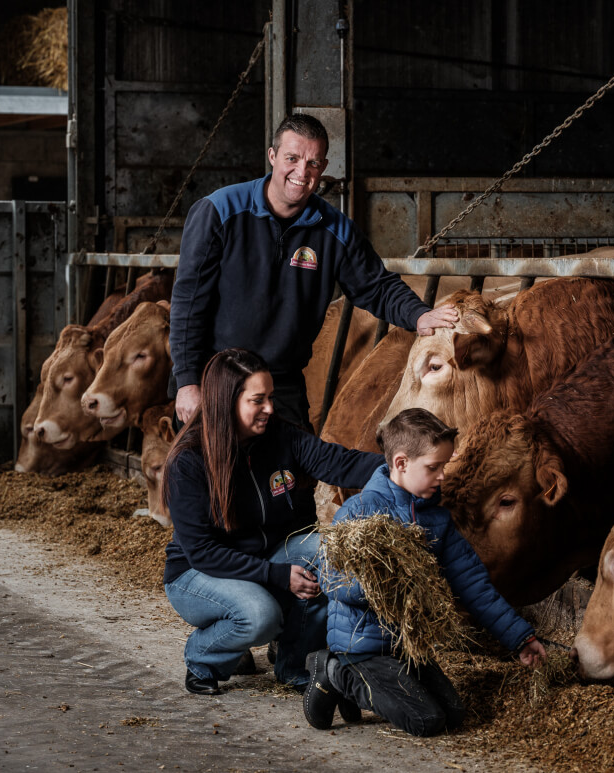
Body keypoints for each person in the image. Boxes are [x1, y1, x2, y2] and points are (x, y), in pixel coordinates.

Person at [170, 113, 459, 430]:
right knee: (211, 476)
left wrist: (419, 315)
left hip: (280, 383)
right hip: (217, 376)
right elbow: (188, 301)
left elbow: (376, 286)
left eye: (313, 163)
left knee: (288, 478)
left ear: (322, 168)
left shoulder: (335, 230)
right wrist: (187, 381)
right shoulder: (219, 211)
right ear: (272, 156)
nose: (302, 171)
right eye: (292, 158)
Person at [303, 408, 547, 735]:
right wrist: (388, 584)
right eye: (434, 468)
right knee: (425, 720)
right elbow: (332, 581)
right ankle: (334, 671)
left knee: (454, 715)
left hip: (406, 648)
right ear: (401, 463)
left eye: (444, 466)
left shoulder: (436, 521)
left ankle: (367, 682)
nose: (443, 476)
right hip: (360, 646)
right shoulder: (360, 511)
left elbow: (475, 587)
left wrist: (520, 638)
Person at [161, 347, 385, 696]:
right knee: (259, 616)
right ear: (226, 402)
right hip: (198, 572)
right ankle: (203, 657)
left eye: (271, 397)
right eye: (258, 400)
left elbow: (339, 462)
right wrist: (277, 576)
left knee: (330, 550)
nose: (269, 408)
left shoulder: (282, 437)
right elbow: (203, 552)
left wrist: (403, 467)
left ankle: (295, 666)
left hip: (268, 553)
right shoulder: (189, 461)